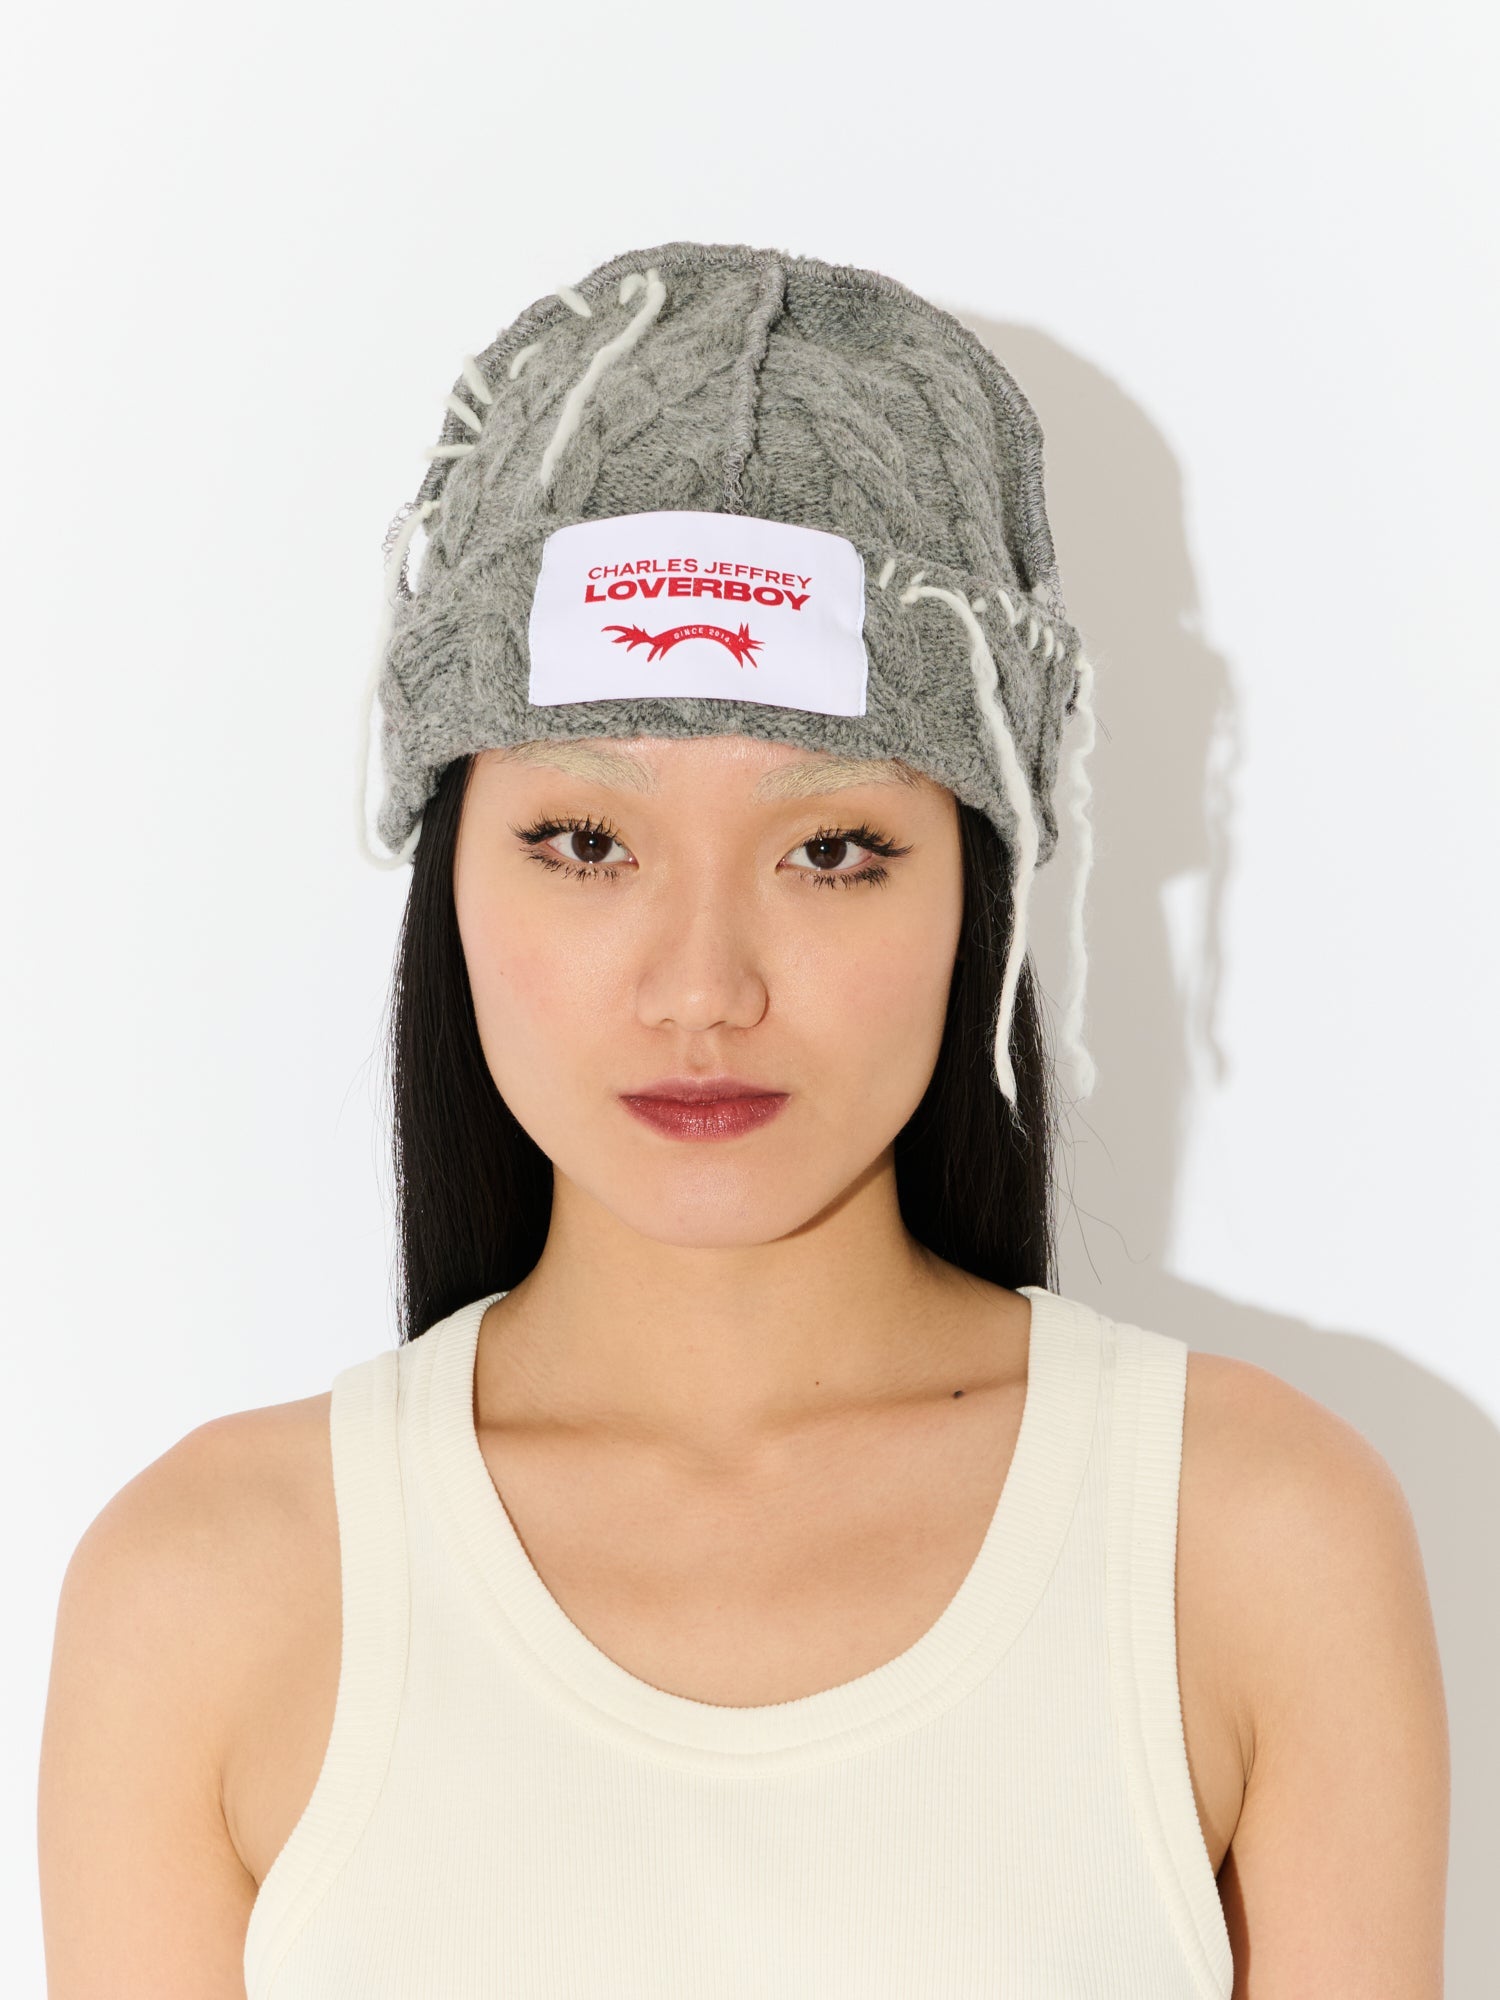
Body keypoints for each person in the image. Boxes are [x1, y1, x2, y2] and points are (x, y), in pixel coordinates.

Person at [38, 241, 1449, 1998]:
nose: (701, 987)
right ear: (450, 869)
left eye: (832, 849)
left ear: (980, 888)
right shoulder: (202, 1597)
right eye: (586, 842)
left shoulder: (1253, 1543)